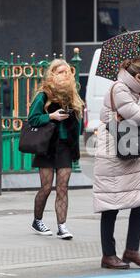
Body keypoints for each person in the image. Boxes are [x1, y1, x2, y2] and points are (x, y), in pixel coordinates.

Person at [93, 56, 140, 269]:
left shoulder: (133, 90)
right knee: (111, 204)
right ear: (139, 76)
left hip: (129, 151)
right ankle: (108, 255)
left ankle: (132, 249)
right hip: (114, 153)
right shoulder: (120, 89)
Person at [28, 59, 84, 240]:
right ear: (52, 74)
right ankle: (37, 220)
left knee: (63, 187)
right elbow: (33, 119)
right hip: (46, 146)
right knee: (46, 187)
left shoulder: (72, 96)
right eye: (60, 72)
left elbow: (78, 126)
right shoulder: (44, 94)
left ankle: (62, 226)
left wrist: (76, 114)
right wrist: (51, 116)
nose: (65, 75)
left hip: (65, 147)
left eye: (67, 72)